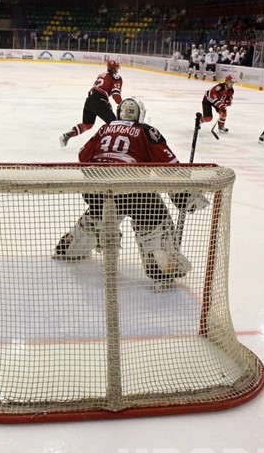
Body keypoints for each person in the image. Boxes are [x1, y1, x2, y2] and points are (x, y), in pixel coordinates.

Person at [52, 97, 208, 286]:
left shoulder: (105, 128)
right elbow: (171, 167)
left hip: (94, 187)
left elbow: (83, 155)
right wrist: (184, 194)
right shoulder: (145, 130)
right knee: (153, 215)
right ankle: (159, 264)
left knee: (103, 208)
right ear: (140, 115)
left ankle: (70, 247)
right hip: (130, 189)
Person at [59, 60, 123, 147]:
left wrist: (108, 105)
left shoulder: (101, 75)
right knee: (114, 124)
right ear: (115, 68)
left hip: (90, 99)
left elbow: (99, 91)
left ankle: (67, 135)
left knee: (87, 124)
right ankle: (113, 145)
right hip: (99, 101)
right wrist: (122, 105)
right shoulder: (116, 77)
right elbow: (116, 95)